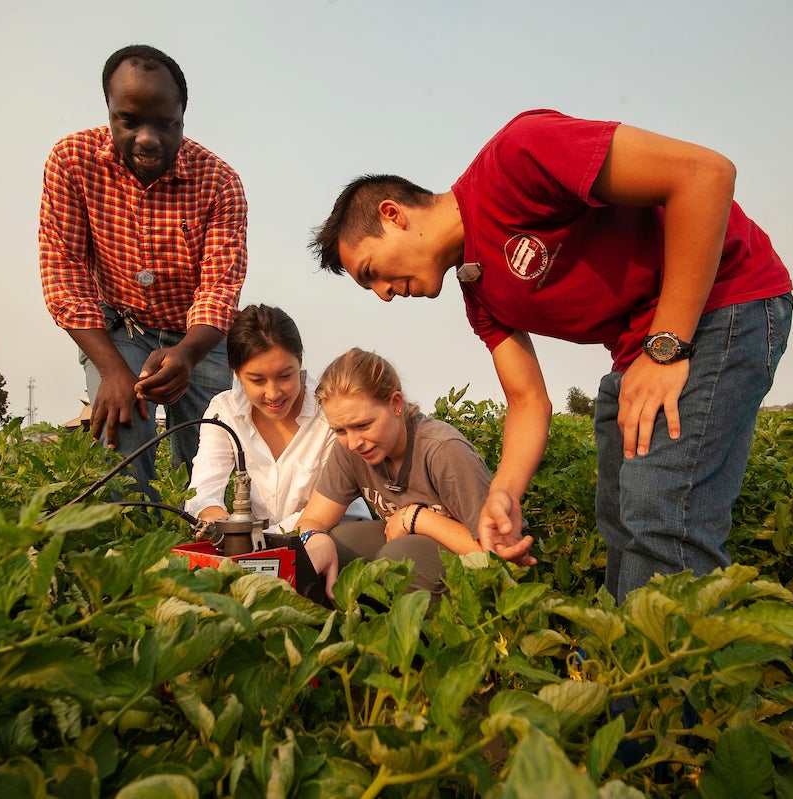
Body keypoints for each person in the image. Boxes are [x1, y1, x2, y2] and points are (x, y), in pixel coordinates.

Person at [310, 109, 793, 603]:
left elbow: (704, 174)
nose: (383, 295)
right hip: (639, 348)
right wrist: (503, 493)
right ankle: (623, 655)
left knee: (663, 512)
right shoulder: (480, 293)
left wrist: (665, 348)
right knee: (622, 516)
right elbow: (527, 402)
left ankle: (668, 673)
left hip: (723, 303)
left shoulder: (517, 158)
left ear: (393, 214)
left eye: (370, 271)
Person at [39, 44, 247, 497]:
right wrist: (113, 370)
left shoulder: (219, 181)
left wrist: (187, 355)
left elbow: (219, 286)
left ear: (182, 117)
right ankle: (137, 542)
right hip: (118, 327)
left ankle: (200, 549)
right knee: (121, 431)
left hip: (199, 335)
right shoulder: (72, 162)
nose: (148, 138)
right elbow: (65, 275)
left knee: (206, 451)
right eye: (129, 121)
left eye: (166, 124)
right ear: (110, 112)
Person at [295, 348, 520, 599]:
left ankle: (437, 632)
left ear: (395, 404)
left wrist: (416, 518)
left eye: (363, 425)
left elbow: (498, 552)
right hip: (416, 549)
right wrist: (314, 537)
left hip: (475, 569)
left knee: (397, 558)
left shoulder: (443, 451)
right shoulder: (350, 449)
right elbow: (311, 519)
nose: (353, 442)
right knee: (338, 542)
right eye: (340, 430)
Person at [186, 304, 368, 534]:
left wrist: (255, 542)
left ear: (300, 362)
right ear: (236, 373)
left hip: (336, 534)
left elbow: (325, 508)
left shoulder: (329, 411)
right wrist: (216, 519)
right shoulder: (225, 411)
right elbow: (203, 490)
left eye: (285, 376)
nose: (273, 394)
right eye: (257, 380)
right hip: (262, 544)